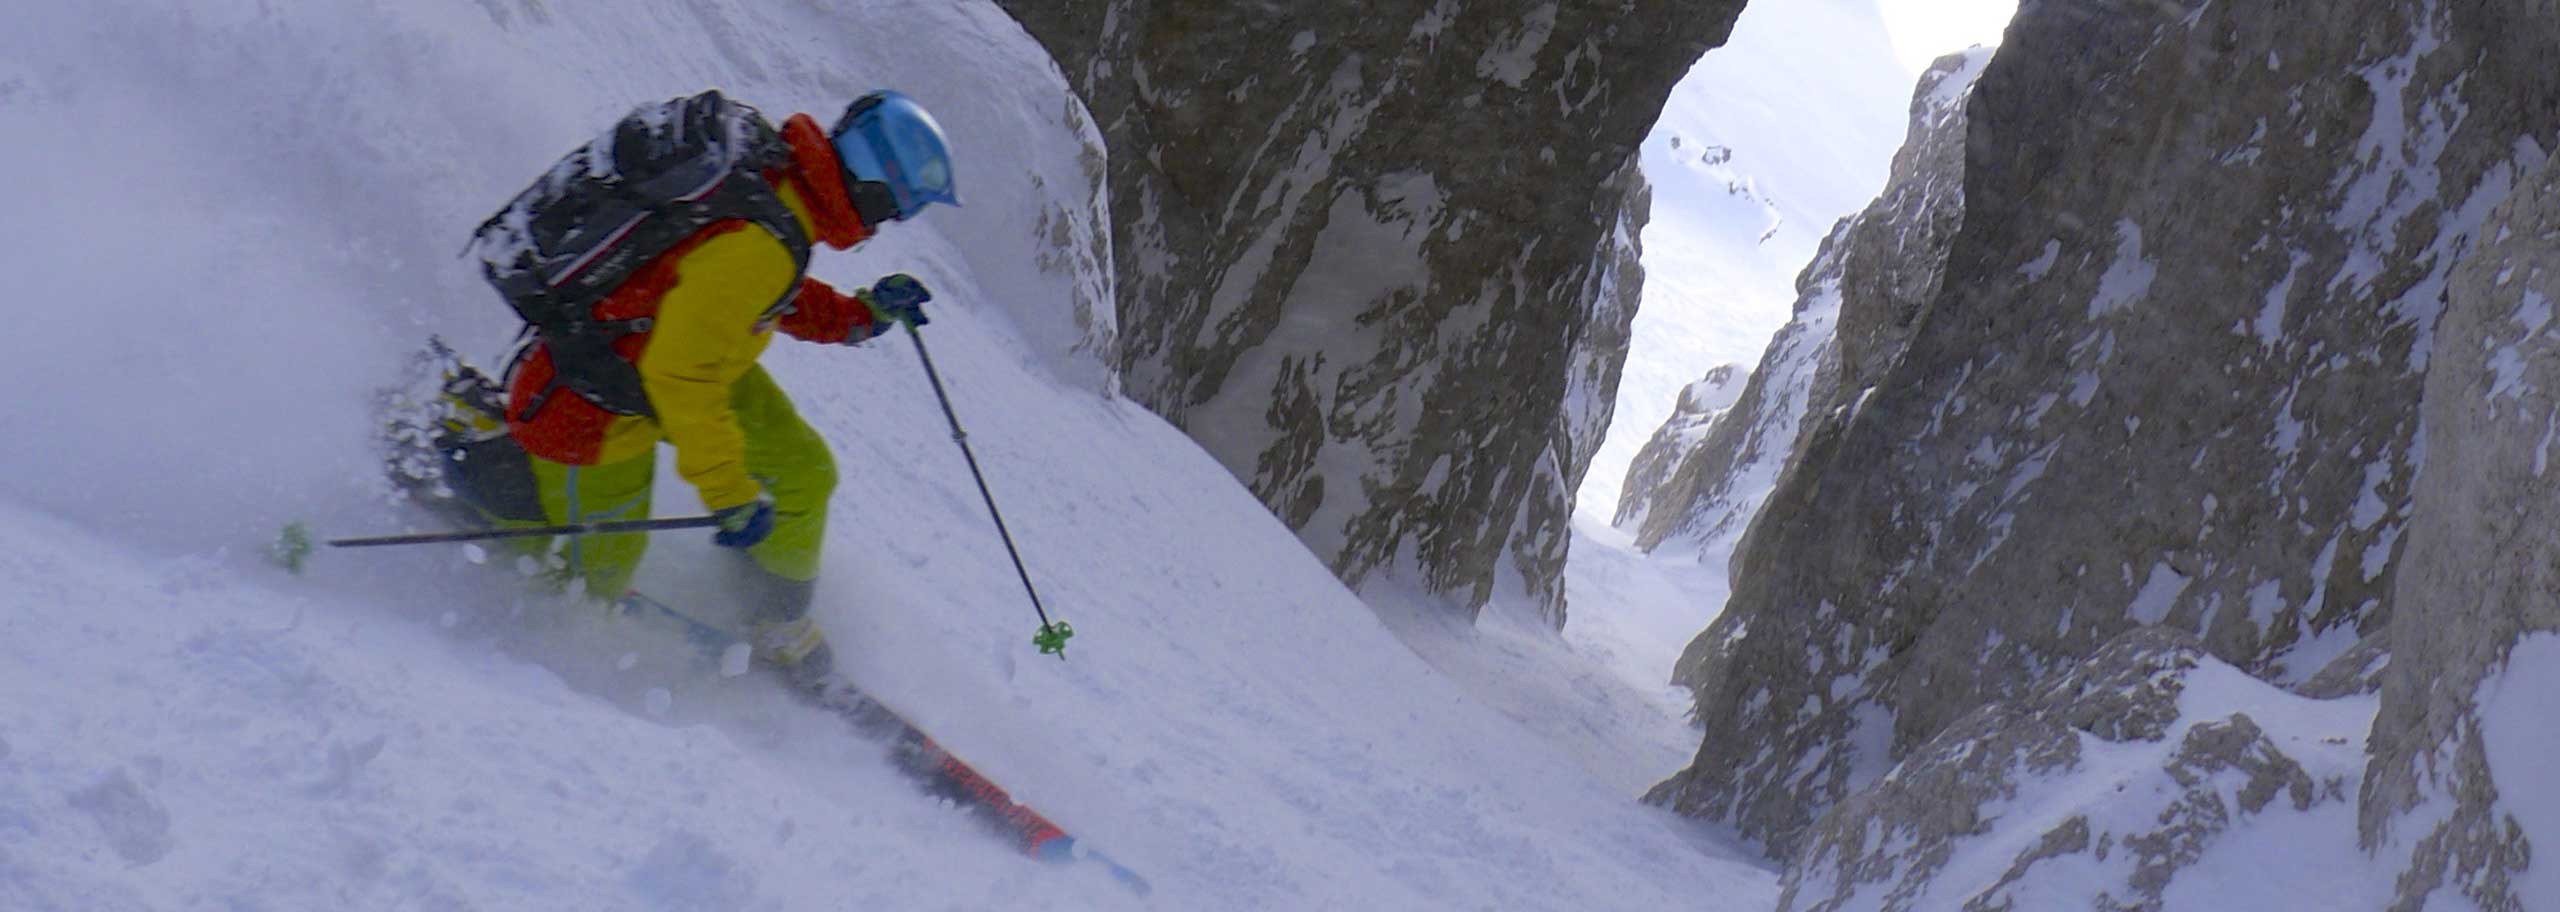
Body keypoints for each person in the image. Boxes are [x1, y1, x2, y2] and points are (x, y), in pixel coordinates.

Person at [468, 89, 959, 692]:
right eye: (900, 208)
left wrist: (861, 317)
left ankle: (773, 618)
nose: (889, 224)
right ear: (877, 190)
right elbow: (683, 370)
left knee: (803, 472)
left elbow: (744, 294)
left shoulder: (781, 184)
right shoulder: (765, 240)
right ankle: (483, 474)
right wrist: (729, 493)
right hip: (596, 401)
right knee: (589, 582)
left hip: (685, 362)